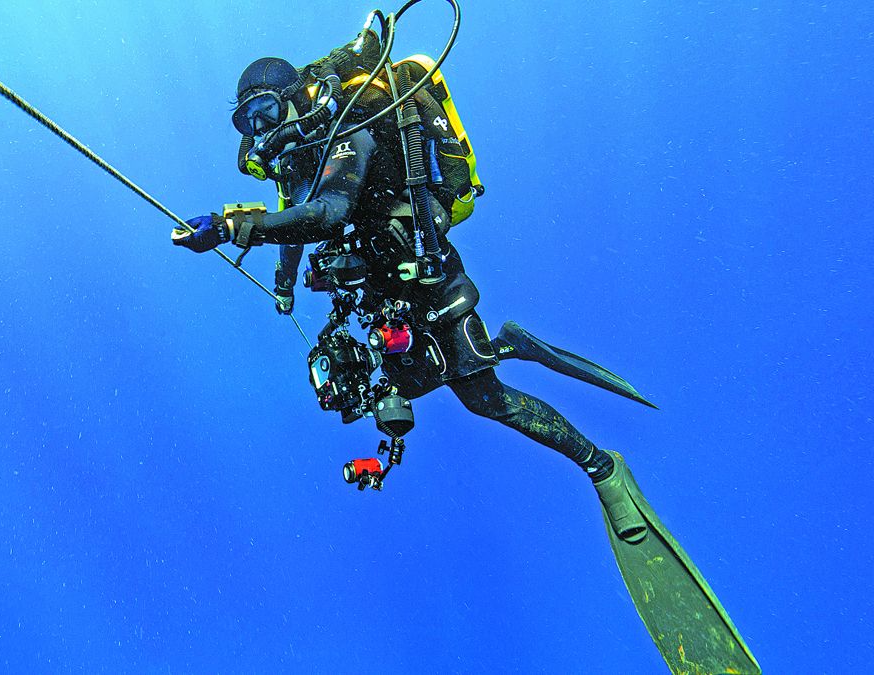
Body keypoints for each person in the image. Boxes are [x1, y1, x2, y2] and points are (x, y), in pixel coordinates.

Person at [170, 53, 648, 539]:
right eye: (246, 121)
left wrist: (234, 228)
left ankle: (602, 468)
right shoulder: (297, 166)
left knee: (485, 400)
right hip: (381, 297)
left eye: (265, 112)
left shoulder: (351, 121)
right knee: (396, 390)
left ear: (295, 97)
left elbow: (330, 211)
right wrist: (285, 283)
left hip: (428, 278)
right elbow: (295, 225)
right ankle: (488, 363)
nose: (259, 129)